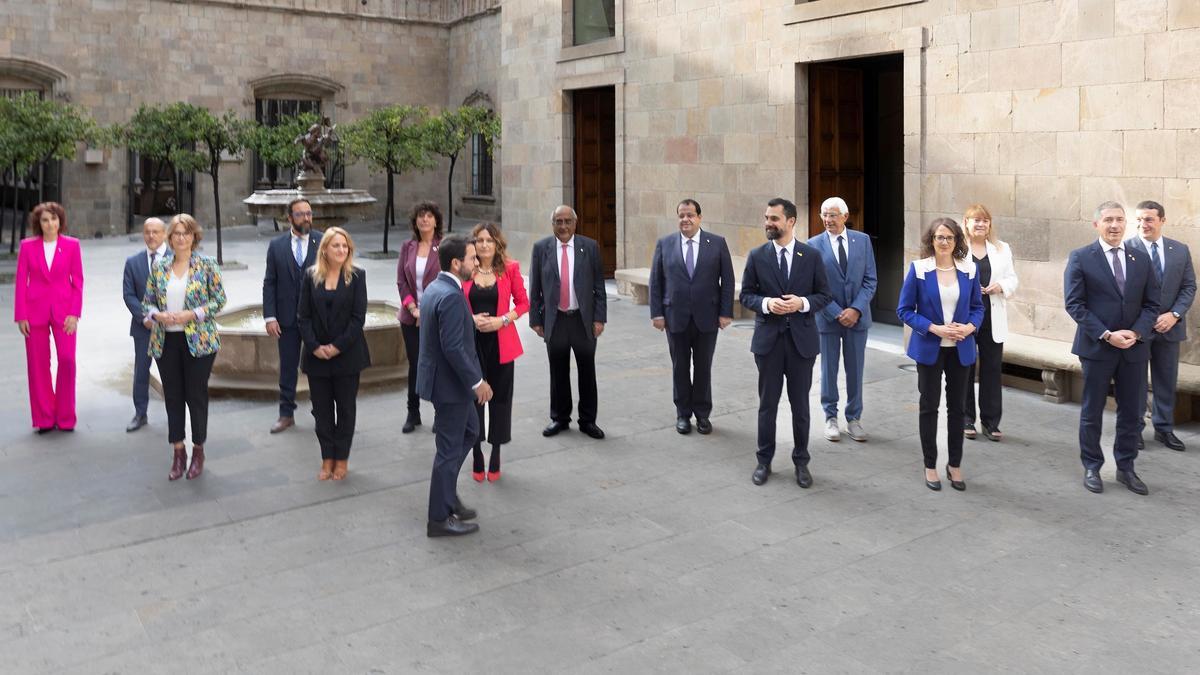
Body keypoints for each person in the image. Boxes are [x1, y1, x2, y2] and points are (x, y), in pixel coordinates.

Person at [1064, 201, 1160, 495]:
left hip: (1133, 348)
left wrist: (1136, 332)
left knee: (1132, 413)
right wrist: (1106, 334)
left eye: (1119, 219)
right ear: (1097, 224)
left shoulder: (1140, 258)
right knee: (1092, 410)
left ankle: (1126, 467)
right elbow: (1074, 304)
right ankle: (1092, 466)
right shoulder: (1081, 257)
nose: (1115, 225)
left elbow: (1152, 304)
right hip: (1097, 348)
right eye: (1108, 220)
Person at [739, 198, 832, 488]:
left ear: (791, 222)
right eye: (767, 218)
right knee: (767, 405)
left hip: (801, 344)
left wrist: (801, 303)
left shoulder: (812, 256)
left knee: (801, 407)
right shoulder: (757, 256)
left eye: (774, 219)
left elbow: (824, 295)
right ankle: (763, 461)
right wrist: (767, 304)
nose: (769, 223)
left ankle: (801, 462)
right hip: (768, 343)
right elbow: (746, 295)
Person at [897, 218, 984, 492]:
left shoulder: (970, 270)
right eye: (938, 237)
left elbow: (978, 307)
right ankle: (930, 464)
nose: (943, 242)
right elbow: (905, 310)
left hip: (961, 349)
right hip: (930, 349)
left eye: (949, 237)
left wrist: (969, 327)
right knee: (929, 406)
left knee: (957, 409)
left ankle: (955, 464)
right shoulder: (920, 269)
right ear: (931, 240)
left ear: (957, 240)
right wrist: (933, 327)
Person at [142, 214, 227, 481]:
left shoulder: (206, 265)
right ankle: (178, 452)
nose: (181, 238)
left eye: (186, 233)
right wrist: (157, 316)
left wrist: (194, 314)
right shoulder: (159, 267)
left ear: (194, 236)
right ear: (170, 237)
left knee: (196, 395)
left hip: (199, 342)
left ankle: (198, 450)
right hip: (167, 340)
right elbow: (147, 302)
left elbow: (219, 300)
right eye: (176, 233)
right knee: (174, 397)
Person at [419, 234, 493, 537]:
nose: (476, 263)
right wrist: (477, 382)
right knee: (448, 452)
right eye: (472, 258)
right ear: (456, 262)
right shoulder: (450, 295)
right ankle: (439, 518)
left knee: (471, 431)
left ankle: (447, 494)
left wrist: (467, 321)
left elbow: (444, 332)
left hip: (444, 383)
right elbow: (452, 347)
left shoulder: (438, 287)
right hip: (451, 387)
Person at [649, 198, 735, 435]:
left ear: (699, 217)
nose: (685, 220)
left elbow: (727, 280)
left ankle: (703, 414)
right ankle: (683, 414)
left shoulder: (716, 244)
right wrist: (656, 313)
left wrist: (725, 312)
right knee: (680, 367)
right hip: (674, 316)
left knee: (703, 367)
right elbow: (656, 281)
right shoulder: (665, 244)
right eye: (681, 215)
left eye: (690, 215)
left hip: (707, 317)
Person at [528, 205, 608, 440]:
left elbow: (599, 287)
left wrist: (599, 318)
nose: (562, 226)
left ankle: (588, 420)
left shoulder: (589, 247)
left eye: (567, 221)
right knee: (558, 372)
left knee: (587, 371)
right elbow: (535, 289)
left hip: (583, 321)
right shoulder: (541, 248)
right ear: (552, 224)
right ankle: (559, 418)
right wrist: (535, 319)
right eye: (558, 221)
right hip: (556, 321)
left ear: (575, 223)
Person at [298, 227, 370, 481]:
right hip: (316, 357)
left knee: (346, 410)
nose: (341, 250)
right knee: (322, 411)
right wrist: (315, 346)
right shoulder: (311, 276)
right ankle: (326, 457)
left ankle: (342, 458)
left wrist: (336, 346)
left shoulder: (357, 276)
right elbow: (303, 316)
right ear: (325, 249)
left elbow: (357, 318)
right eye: (336, 246)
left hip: (347, 355)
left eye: (345, 246)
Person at [806, 197, 877, 443]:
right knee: (828, 370)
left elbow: (870, 280)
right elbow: (813, 286)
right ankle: (830, 417)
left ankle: (854, 418)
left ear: (845, 216)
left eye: (833, 215)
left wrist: (856, 309)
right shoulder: (813, 245)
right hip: (828, 319)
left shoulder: (863, 241)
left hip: (858, 319)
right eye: (824, 214)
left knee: (855, 370)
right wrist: (837, 312)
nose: (828, 220)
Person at [1127, 201, 1195, 452]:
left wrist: (1174, 314)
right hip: (1137, 330)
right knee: (1134, 382)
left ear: (1162, 220)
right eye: (1139, 220)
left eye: (1148, 219)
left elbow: (1189, 287)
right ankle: (1133, 430)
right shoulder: (1125, 248)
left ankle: (1164, 429)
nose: (1142, 224)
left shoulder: (1179, 250)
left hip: (1170, 327)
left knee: (1166, 380)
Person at [463, 222, 528, 482]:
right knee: (475, 400)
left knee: (500, 400)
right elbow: (454, 302)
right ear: (474, 244)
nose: (484, 245)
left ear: (497, 244)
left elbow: (524, 303)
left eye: (489, 240)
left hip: (502, 344)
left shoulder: (510, 268)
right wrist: (471, 319)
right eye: (480, 240)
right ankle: (477, 452)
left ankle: (496, 452)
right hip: (473, 346)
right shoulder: (466, 269)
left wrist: (502, 319)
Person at [14, 202, 83, 434]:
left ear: (60, 221)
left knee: (67, 360)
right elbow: (21, 282)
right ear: (39, 223)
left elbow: (78, 282)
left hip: (65, 313)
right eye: (45, 220)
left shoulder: (72, 246)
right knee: (38, 365)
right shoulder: (27, 247)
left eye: (54, 219)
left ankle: (65, 416)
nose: (50, 224)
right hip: (34, 312)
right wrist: (21, 315)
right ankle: (44, 417)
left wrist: (74, 313)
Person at [263, 197, 322, 434]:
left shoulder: (323, 241)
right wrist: (270, 316)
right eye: (300, 214)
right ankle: (286, 414)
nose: (306, 218)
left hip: (317, 320)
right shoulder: (276, 246)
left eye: (308, 213)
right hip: (286, 319)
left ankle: (322, 413)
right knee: (288, 367)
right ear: (289, 218)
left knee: (318, 368)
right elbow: (270, 282)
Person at [961, 204, 1019, 442]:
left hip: (992, 315)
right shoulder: (957, 247)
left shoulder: (1001, 248)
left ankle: (991, 422)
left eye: (985, 220)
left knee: (992, 370)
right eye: (976, 220)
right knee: (964, 368)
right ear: (966, 223)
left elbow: (1012, 278)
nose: (981, 224)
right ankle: (965, 418)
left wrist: (1001, 286)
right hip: (965, 317)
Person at [397, 201, 443, 433]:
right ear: (415, 221)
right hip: (410, 317)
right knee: (415, 365)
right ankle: (412, 413)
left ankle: (439, 413)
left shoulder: (442, 247)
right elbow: (401, 282)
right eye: (420, 216)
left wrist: (426, 311)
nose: (424, 220)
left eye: (429, 216)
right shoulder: (408, 246)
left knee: (435, 364)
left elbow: (447, 281)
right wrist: (413, 309)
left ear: (436, 221)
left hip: (436, 317)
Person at [122, 217, 168, 433]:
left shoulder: (177, 258)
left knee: (171, 372)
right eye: (147, 232)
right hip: (144, 329)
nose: (151, 236)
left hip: (171, 328)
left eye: (155, 232)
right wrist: (144, 318)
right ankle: (140, 413)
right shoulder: (133, 262)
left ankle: (176, 413)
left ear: (164, 234)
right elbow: (129, 294)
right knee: (142, 371)